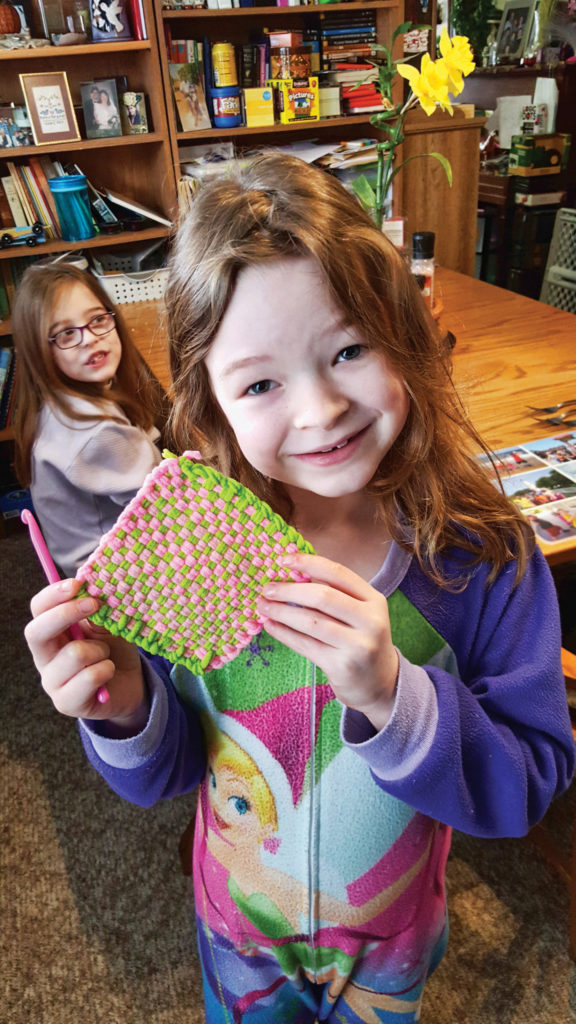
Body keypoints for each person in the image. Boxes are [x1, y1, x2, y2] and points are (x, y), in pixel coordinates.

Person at [23, 153, 575, 1023]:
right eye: (261, 382)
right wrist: (123, 702)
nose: (319, 410)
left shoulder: (485, 557)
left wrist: (397, 698)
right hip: (237, 938)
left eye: (349, 348)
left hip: (393, 947)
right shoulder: (199, 544)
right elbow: (164, 774)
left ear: (407, 336)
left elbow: (527, 788)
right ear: (210, 399)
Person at [13, 262, 168, 577]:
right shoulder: (97, 432)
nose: (90, 338)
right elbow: (171, 512)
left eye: (98, 319)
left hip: (82, 565)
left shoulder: (57, 405)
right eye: (67, 333)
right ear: (39, 349)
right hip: (116, 582)